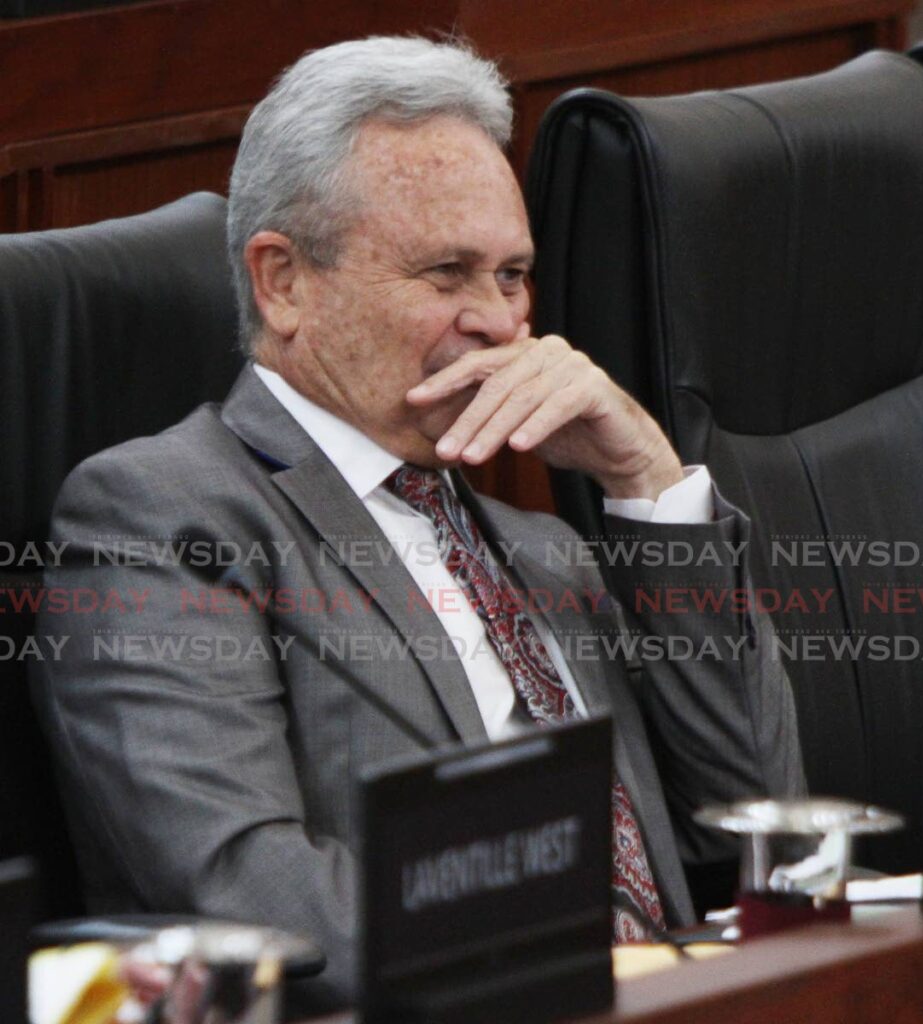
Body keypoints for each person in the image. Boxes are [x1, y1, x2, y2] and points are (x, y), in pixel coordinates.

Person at [33, 35, 804, 1012]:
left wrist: (645, 476)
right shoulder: (167, 517)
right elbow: (238, 886)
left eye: (513, 276)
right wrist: (581, 970)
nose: (498, 321)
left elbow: (759, 829)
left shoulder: (544, 549)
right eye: (446, 273)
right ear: (284, 283)